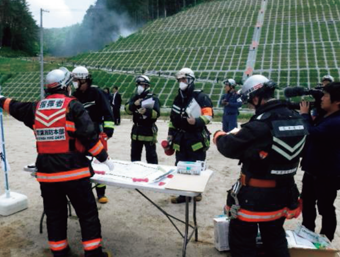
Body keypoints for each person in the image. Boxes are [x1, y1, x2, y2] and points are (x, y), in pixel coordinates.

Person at [0, 67, 112, 257]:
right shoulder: (73, 106)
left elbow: (15, 107)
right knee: (87, 214)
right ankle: (93, 253)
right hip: (74, 172)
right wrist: (104, 158)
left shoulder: (36, 107)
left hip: (47, 175)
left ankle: (60, 252)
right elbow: (89, 136)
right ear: (66, 86)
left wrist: (0, 100)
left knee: (55, 215)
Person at [213, 74, 307, 257]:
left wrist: (218, 135)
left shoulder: (260, 125)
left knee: (242, 242)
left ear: (256, 98)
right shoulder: (296, 118)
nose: (249, 105)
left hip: (254, 198)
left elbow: (229, 147)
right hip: (283, 192)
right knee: (275, 238)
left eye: (250, 101)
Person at [299, 82, 340, 241]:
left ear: (337, 101)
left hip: (327, 173)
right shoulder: (326, 115)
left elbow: (312, 132)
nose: (322, 99)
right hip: (312, 169)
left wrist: (304, 114)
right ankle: (307, 233)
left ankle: (326, 239)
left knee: (325, 208)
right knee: (307, 204)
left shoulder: (336, 121)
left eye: (326, 96)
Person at [168, 68, 213, 204]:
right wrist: (170, 136)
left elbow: (209, 116)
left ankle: (196, 192)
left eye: (184, 79)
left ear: (191, 80)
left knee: (196, 166)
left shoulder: (201, 97)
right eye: (179, 80)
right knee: (180, 165)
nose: (181, 82)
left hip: (196, 138)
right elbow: (172, 120)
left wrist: (197, 121)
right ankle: (183, 194)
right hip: (180, 139)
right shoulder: (177, 99)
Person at [72, 66, 114, 204]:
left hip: (96, 132)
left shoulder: (97, 93)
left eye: (77, 80)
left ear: (85, 80)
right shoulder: (74, 96)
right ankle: (85, 191)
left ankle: (101, 193)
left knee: (99, 161)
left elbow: (108, 112)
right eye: (74, 80)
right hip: (79, 135)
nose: (75, 83)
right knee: (81, 162)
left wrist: (107, 132)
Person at [125, 75, 160, 164]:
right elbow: (127, 109)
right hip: (136, 131)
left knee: (151, 157)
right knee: (134, 157)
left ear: (146, 86)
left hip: (148, 131)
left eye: (141, 85)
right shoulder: (135, 97)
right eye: (138, 85)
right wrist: (134, 104)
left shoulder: (153, 97)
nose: (139, 87)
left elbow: (156, 114)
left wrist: (146, 111)